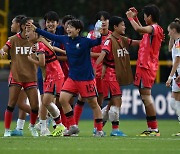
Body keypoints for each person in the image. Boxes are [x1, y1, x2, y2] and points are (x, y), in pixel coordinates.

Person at [27, 19, 104, 137]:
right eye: (67, 27)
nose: (68, 29)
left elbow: (98, 42)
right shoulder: (65, 39)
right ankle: (73, 126)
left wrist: (99, 32)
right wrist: (36, 29)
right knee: (63, 99)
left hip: (86, 78)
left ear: (78, 30)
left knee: (93, 103)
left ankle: (99, 130)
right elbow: (50, 35)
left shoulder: (85, 42)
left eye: (71, 27)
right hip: (72, 78)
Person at [94, 16, 139, 136]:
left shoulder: (122, 39)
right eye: (122, 25)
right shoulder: (110, 40)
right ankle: (115, 130)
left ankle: (99, 125)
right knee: (117, 102)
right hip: (110, 76)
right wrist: (94, 70)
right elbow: (102, 55)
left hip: (116, 75)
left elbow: (134, 43)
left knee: (111, 104)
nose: (124, 27)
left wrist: (149, 39)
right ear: (115, 27)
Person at [126, 5, 164, 136]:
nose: (143, 18)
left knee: (146, 97)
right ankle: (151, 128)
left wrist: (131, 19)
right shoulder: (152, 31)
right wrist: (135, 17)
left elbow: (138, 29)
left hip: (146, 67)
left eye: (144, 16)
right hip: (144, 66)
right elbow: (142, 32)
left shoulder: (154, 28)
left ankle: (154, 129)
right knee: (144, 97)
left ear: (150, 17)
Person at [0, 17, 39, 137]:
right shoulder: (13, 39)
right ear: (22, 26)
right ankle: (7, 130)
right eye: (29, 25)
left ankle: (32, 127)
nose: (32, 27)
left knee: (35, 106)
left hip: (31, 76)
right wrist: (2, 51)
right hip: (16, 75)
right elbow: (5, 48)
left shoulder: (35, 40)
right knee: (11, 104)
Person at [73, 11, 111, 130]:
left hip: (104, 73)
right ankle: (73, 125)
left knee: (99, 101)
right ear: (96, 23)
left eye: (105, 19)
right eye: (100, 20)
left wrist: (103, 55)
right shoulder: (91, 35)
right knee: (81, 98)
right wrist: (102, 54)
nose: (103, 22)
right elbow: (87, 52)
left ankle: (97, 128)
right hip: (91, 72)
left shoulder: (112, 35)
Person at [166, 18, 180, 136]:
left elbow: (177, 60)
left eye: (169, 31)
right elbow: (170, 48)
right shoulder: (176, 42)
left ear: (174, 30)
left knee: (174, 102)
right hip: (177, 76)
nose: (168, 33)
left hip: (178, 75)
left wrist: (170, 77)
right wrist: (172, 37)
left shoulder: (179, 42)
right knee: (173, 102)